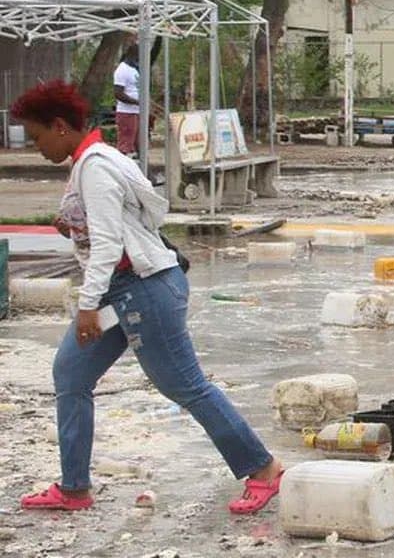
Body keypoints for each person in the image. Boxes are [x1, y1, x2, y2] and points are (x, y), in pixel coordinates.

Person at [11, 80, 284, 514]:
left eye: (38, 136)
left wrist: (85, 307)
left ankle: (263, 469)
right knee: (71, 373)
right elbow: (134, 217)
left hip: (142, 290)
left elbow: (107, 245)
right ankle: (74, 488)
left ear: (60, 127)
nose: (37, 147)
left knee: (184, 385)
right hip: (122, 292)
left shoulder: (96, 166)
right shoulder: (95, 160)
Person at [112, 46, 142, 156]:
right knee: (126, 143)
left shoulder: (134, 69)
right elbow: (118, 93)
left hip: (137, 111)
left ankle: (142, 168)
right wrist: (136, 102)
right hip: (127, 112)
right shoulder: (122, 70)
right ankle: (120, 167)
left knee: (139, 142)